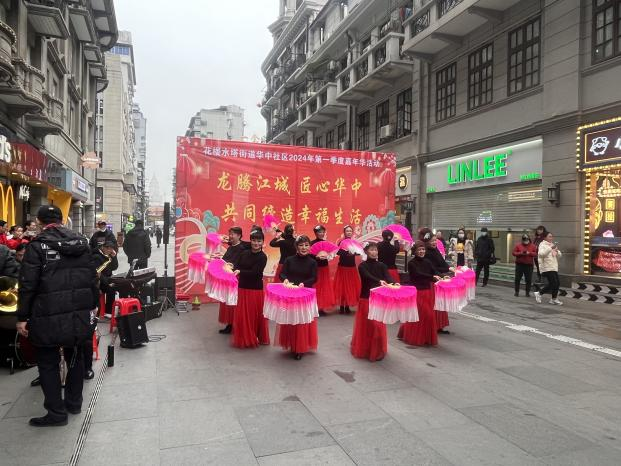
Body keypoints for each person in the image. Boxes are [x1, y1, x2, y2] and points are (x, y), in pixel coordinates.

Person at [16, 205, 98, 427]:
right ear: (62, 220)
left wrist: (22, 317)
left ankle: (56, 413)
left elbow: (27, 285)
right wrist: (92, 307)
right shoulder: (82, 242)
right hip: (79, 311)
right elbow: (92, 279)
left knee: (48, 362)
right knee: (75, 356)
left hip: (47, 313)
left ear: (40, 221)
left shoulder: (37, 246)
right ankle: (74, 403)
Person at [277, 235, 318, 360]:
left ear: (309, 247)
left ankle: (299, 348)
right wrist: (285, 280)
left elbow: (314, 278)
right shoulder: (289, 260)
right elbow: (282, 274)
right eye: (301, 245)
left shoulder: (312, 262)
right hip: (291, 293)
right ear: (296, 247)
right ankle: (291, 342)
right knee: (291, 319)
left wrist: (304, 284)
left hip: (305, 294)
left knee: (301, 321)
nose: (304, 248)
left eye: (306, 245)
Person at [351, 242, 392, 362]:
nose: (374, 252)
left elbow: (388, 276)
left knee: (378, 325)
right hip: (366, 298)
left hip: (379, 298)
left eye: (375, 250)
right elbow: (367, 277)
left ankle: (378, 349)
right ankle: (365, 348)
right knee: (367, 326)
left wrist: (393, 283)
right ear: (367, 252)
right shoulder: (362, 266)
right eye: (371, 250)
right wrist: (380, 281)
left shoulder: (382, 265)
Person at [231, 229, 270, 348]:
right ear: (251, 241)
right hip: (242, 287)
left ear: (263, 242)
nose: (256, 243)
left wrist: (240, 271)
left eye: (259, 241)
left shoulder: (262, 257)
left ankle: (254, 337)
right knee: (243, 316)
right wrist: (230, 266)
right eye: (254, 240)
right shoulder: (244, 253)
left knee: (254, 316)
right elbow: (236, 265)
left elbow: (255, 272)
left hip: (255, 290)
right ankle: (245, 336)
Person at [398, 241, 439, 346]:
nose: (422, 251)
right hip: (417, 292)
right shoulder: (412, 263)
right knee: (420, 315)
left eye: (423, 249)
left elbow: (435, 271)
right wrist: (431, 277)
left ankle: (424, 337)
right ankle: (412, 336)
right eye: (419, 250)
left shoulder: (428, 262)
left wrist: (444, 275)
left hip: (427, 292)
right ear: (415, 251)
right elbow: (418, 274)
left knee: (427, 316)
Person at [218, 226, 250, 334]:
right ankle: (230, 324)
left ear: (239, 235)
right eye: (229, 234)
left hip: (237, 279)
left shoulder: (243, 248)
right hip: (228, 279)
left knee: (235, 303)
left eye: (232, 234)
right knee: (228, 302)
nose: (230, 236)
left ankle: (237, 324)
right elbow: (225, 260)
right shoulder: (231, 248)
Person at [423, 233, 451, 334]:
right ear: (427, 242)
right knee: (434, 304)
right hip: (432, 281)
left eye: (435, 240)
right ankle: (433, 326)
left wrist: (449, 268)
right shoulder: (426, 253)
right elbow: (432, 268)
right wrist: (444, 270)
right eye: (432, 241)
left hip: (440, 280)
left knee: (441, 303)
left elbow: (442, 264)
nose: (434, 242)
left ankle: (440, 326)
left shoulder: (436, 251)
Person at [334, 225, 361, 314]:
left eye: (350, 231)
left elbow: (358, 252)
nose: (349, 232)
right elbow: (338, 252)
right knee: (342, 287)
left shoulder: (354, 242)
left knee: (350, 287)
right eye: (347, 231)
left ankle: (348, 306)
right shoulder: (341, 242)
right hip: (342, 267)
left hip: (351, 268)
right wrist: (346, 252)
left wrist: (354, 252)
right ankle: (342, 306)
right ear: (344, 232)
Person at [311, 225, 335, 316]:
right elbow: (309, 255)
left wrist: (329, 255)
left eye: (322, 232)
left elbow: (331, 253)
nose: (321, 234)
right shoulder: (312, 243)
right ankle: (314, 306)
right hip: (315, 267)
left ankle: (321, 307)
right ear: (316, 233)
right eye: (319, 232)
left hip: (324, 267)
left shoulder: (326, 243)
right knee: (316, 286)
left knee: (324, 287)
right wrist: (316, 256)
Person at [534, 232, 563, 305]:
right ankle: (542, 294)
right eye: (549, 236)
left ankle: (552, 298)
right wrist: (550, 248)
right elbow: (541, 254)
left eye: (552, 236)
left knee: (556, 283)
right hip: (547, 267)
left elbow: (559, 256)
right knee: (554, 283)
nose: (551, 238)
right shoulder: (542, 245)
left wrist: (557, 251)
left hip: (553, 267)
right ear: (545, 238)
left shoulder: (552, 245)